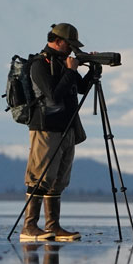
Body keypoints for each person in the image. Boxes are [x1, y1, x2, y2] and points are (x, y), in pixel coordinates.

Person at [20, 22, 91, 242]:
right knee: (40, 176)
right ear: (58, 41)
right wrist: (71, 70)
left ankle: (53, 227)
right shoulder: (40, 64)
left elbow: (79, 88)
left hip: (67, 127)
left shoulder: (62, 63)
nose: (71, 49)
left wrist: (92, 71)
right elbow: (53, 96)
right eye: (69, 44)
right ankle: (29, 227)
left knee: (58, 178)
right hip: (46, 128)